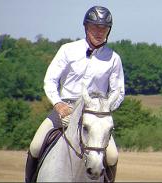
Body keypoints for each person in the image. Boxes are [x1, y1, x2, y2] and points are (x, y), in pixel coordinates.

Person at [25, 6, 125, 183]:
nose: (99, 32)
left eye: (104, 28)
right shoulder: (67, 50)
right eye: (95, 27)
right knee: (35, 145)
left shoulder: (113, 58)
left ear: (109, 30)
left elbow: (119, 91)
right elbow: (50, 81)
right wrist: (58, 104)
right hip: (65, 109)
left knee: (112, 156)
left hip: (95, 115)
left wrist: (105, 108)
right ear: (86, 27)